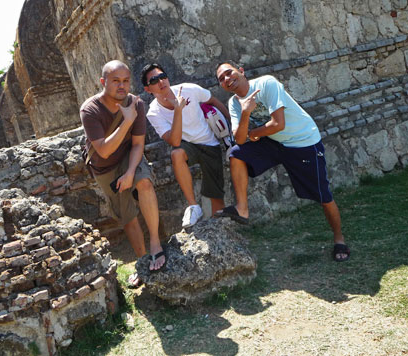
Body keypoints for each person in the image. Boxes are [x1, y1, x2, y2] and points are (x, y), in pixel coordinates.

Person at [215, 61, 350, 262]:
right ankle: (242, 209)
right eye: (221, 79)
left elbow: (278, 124)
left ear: (241, 71)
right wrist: (245, 113)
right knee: (236, 153)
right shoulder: (234, 103)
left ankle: (339, 239)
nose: (227, 79)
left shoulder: (267, 84)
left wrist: (252, 134)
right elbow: (239, 139)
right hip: (274, 142)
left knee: (323, 195)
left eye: (229, 73)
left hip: (303, 142)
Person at [80, 60, 165, 287]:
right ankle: (142, 261)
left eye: (125, 81)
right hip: (104, 166)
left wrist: (129, 173)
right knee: (127, 215)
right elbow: (105, 150)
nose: (121, 86)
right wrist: (127, 121)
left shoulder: (136, 103)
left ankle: (156, 244)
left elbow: (138, 145)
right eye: (115, 81)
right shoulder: (90, 110)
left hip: (129, 155)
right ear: (103, 82)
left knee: (144, 182)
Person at [141, 63, 230, 228]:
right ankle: (193, 206)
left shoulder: (189, 89)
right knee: (176, 154)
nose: (161, 82)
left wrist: (230, 126)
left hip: (210, 142)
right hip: (187, 145)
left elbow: (213, 100)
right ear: (148, 89)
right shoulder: (154, 112)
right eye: (154, 80)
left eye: (162, 76)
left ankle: (221, 229)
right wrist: (178, 110)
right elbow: (174, 141)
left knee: (217, 199)